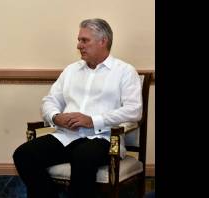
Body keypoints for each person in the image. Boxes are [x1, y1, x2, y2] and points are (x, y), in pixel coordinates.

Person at [13, 18, 142, 198]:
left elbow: (134, 110)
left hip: (103, 138)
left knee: (83, 156)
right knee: (24, 154)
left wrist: (93, 121)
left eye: (84, 40)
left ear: (102, 41)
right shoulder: (71, 70)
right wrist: (56, 117)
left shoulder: (125, 72)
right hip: (67, 135)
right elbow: (49, 100)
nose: (78, 45)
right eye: (79, 40)